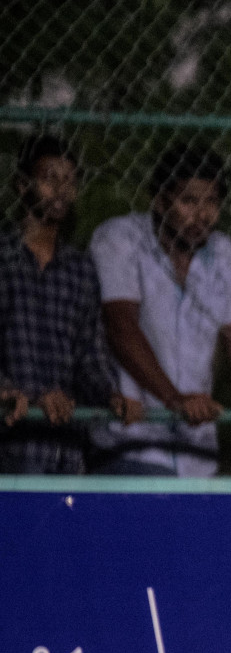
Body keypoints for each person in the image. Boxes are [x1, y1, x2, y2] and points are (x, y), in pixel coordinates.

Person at [91, 144, 231, 475]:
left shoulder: (222, 253)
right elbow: (121, 327)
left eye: (212, 203)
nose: (201, 215)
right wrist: (174, 399)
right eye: (188, 201)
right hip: (132, 442)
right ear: (160, 200)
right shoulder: (120, 238)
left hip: (197, 451)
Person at [0, 135, 141, 474]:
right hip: (10, 440)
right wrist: (19, 393)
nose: (61, 190)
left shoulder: (80, 270)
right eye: (50, 178)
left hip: (65, 449)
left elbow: (88, 354)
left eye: (69, 180)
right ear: (22, 185)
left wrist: (110, 395)